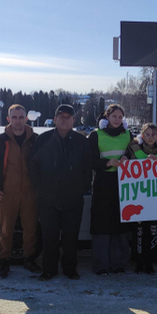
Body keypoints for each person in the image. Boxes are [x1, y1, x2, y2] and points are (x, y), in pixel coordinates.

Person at [29, 104, 92, 281]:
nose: (64, 119)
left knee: (71, 236)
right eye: (61, 116)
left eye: (68, 117)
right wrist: (39, 187)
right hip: (48, 197)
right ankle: (49, 269)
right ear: (55, 119)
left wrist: (82, 187)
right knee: (49, 235)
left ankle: (70, 268)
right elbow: (33, 165)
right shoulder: (43, 139)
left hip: (73, 197)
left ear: (73, 120)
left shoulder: (82, 142)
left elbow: (88, 167)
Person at [0, 104, 40, 278]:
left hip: (30, 191)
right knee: (5, 229)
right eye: (14, 117)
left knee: (30, 228)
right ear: (9, 119)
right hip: (8, 192)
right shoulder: (0, 141)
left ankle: (29, 259)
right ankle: (4, 262)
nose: (18, 120)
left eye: (21, 117)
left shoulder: (35, 140)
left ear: (26, 118)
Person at [88, 104, 134, 275]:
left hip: (124, 183)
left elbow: (137, 153)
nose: (117, 120)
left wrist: (128, 158)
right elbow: (90, 160)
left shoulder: (128, 134)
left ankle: (119, 263)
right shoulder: (95, 135)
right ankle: (101, 264)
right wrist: (107, 163)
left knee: (121, 223)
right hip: (103, 183)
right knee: (102, 223)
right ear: (107, 117)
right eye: (114, 116)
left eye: (120, 117)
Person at [125, 123, 157, 274]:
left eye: (154, 134)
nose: (151, 137)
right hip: (138, 197)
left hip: (155, 197)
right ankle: (138, 261)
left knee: (152, 230)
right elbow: (126, 167)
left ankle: (150, 261)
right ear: (142, 135)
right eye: (148, 134)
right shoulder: (134, 149)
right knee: (138, 230)